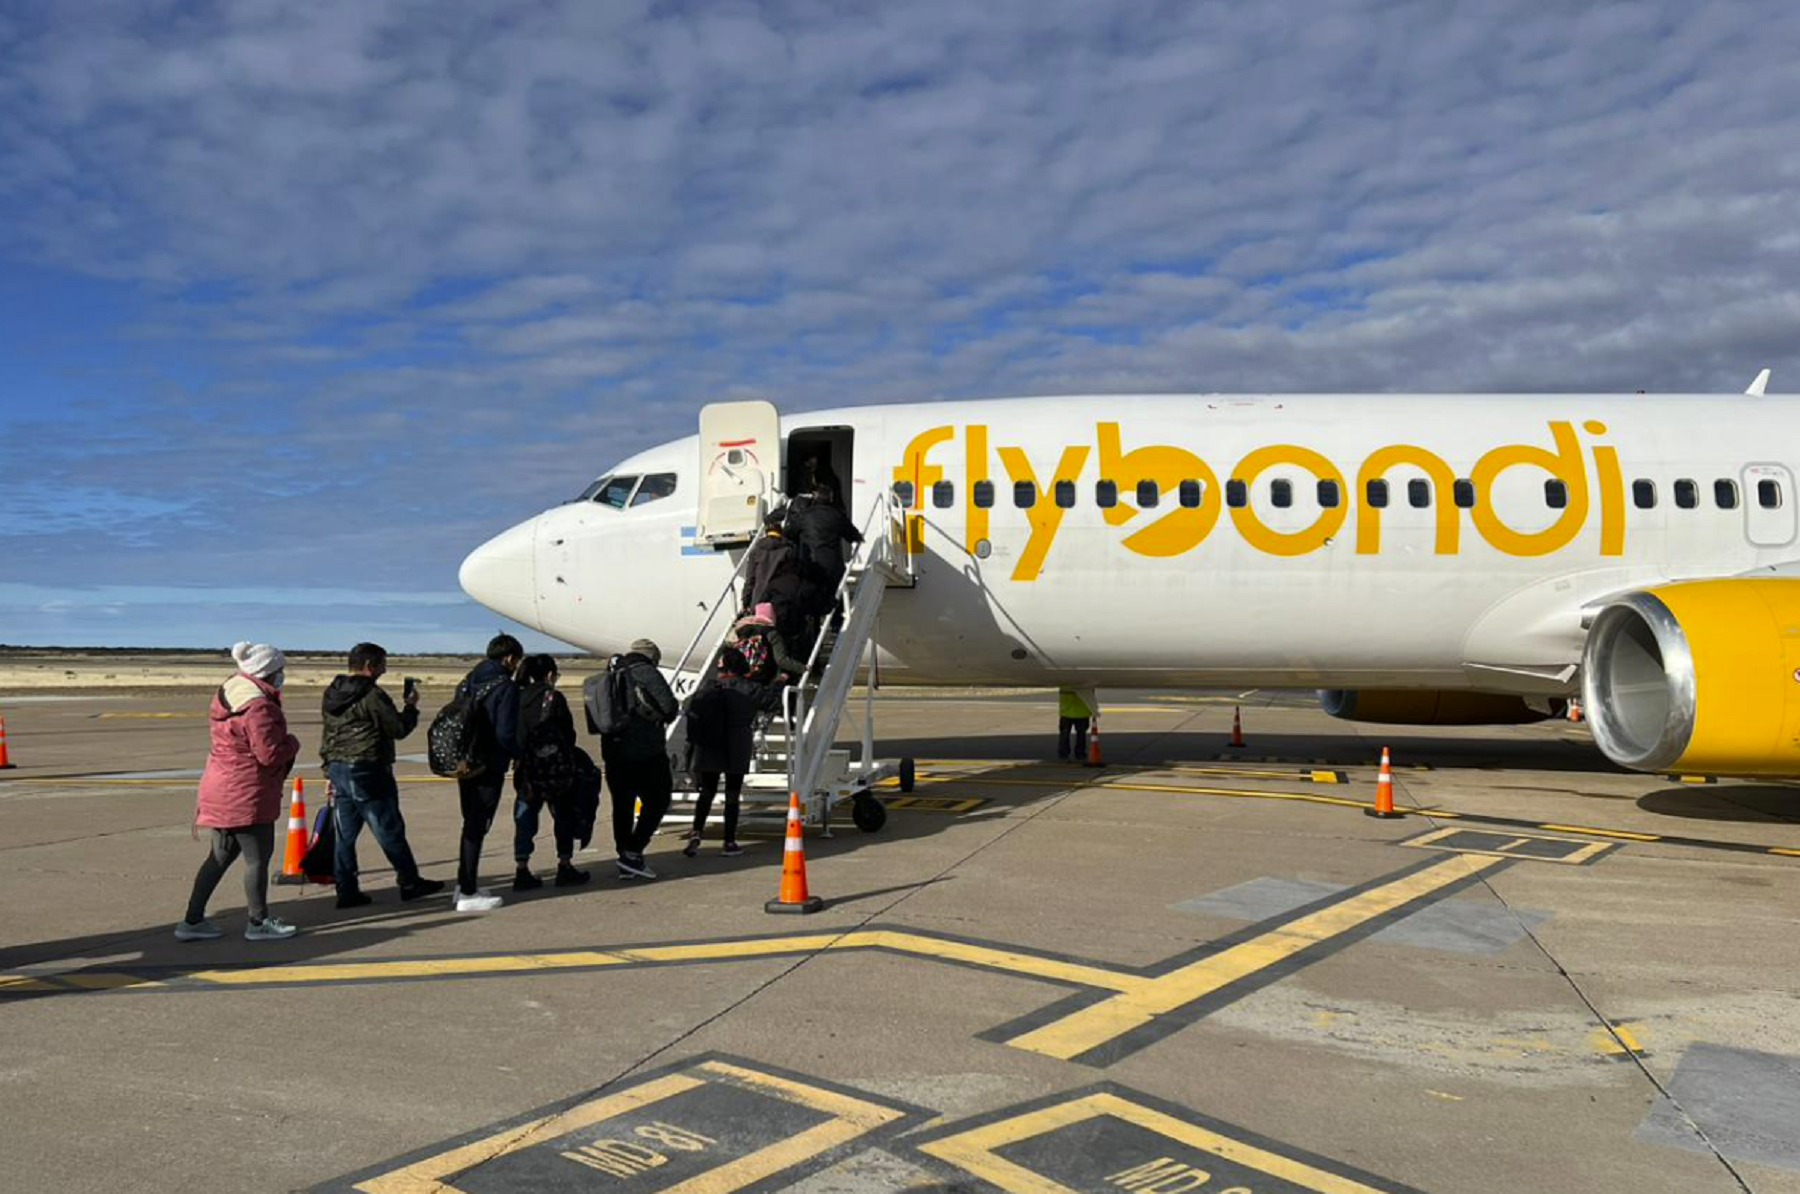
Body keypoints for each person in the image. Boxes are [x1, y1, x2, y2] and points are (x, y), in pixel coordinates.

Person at [175, 642, 301, 942]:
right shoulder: (258, 706)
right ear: (268, 672)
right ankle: (258, 922)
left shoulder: (230, 693)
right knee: (257, 859)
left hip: (220, 789)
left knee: (218, 857)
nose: (282, 675)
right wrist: (293, 744)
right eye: (280, 670)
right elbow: (269, 754)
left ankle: (192, 921)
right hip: (246, 793)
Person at [320, 643, 446, 908]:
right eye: (382, 664)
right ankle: (409, 881)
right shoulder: (372, 695)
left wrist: (327, 768)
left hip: (339, 766)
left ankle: (346, 889)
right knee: (388, 828)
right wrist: (411, 707)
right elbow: (398, 728)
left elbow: (329, 733)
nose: (384, 669)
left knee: (345, 834)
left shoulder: (333, 692)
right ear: (370, 666)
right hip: (367, 768)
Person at [682, 647, 782, 858]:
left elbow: (688, 705)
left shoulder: (711, 686)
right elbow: (772, 703)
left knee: (707, 791)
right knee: (732, 793)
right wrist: (778, 683)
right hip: (737, 744)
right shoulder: (749, 688)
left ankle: (697, 831)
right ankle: (729, 842)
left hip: (711, 743)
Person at [451, 634, 524, 912]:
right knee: (477, 825)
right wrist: (519, 754)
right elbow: (505, 733)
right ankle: (467, 892)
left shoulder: (469, 680)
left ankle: (464, 884)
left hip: (465, 761)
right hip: (488, 763)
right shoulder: (505, 687)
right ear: (508, 658)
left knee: (470, 821)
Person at [598, 638, 678, 880]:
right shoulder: (646, 672)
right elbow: (669, 707)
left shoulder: (610, 674)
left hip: (613, 752)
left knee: (622, 806)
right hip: (645, 752)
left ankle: (625, 858)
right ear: (652, 657)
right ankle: (632, 853)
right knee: (659, 799)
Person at [511, 654, 591, 889]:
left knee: (525, 819)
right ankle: (564, 865)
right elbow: (569, 734)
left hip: (526, 769)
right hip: (554, 770)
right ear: (548, 675)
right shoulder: (553, 697)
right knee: (562, 816)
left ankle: (521, 868)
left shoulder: (517, 697)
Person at [787, 484, 863, 607]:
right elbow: (855, 536)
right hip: (833, 567)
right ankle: (835, 623)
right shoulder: (837, 515)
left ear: (815, 498)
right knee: (833, 601)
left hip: (810, 566)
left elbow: (789, 533)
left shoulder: (805, 516)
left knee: (809, 604)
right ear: (830, 498)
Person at [740, 511, 795, 615]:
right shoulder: (789, 550)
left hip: (759, 602)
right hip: (780, 603)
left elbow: (750, 580)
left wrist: (745, 602)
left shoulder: (756, 551)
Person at [1058, 688, 1094, 762]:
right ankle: (1080, 754)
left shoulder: (1065, 682)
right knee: (1081, 735)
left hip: (1066, 711)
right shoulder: (1086, 683)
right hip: (1082, 712)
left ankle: (1064, 754)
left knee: (1065, 734)